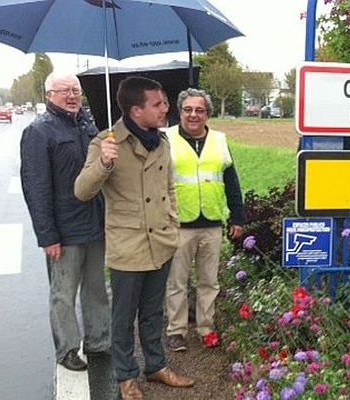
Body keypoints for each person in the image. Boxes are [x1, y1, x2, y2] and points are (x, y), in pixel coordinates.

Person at [74, 76, 194, 400]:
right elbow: (82, 191)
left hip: (162, 243)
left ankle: (156, 366)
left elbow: (168, 187)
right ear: (135, 110)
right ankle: (126, 376)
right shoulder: (106, 142)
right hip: (128, 247)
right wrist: (103, 163)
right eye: (157, 104)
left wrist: (174, 224)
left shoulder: (163, 140)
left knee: (154, 313)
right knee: (124, 318)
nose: (166, 108)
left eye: (165, 102)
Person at [20, 72, 110, 372]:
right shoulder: (39, 132)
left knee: (97, 288)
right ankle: (68, 348)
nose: (72, 96)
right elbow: (36, 187)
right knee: (63, 294)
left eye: (76, 90)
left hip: (95, 225)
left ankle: (99, 340)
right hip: (64, 231)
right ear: (49, 96)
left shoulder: (89, 127)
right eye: (64, 91)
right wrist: (47, 236)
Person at [164, 88, 245, 351]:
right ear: (180, 112)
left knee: (209, 281)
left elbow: (232, 182)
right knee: (177, 281)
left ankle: (206, 327)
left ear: (207, 113)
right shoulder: (166, 139)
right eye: (188, 109)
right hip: (179, 223)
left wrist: (238, 216)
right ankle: (176, 330)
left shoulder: (220, 141)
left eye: (199, 110)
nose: (193, 115)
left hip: (211, 222)